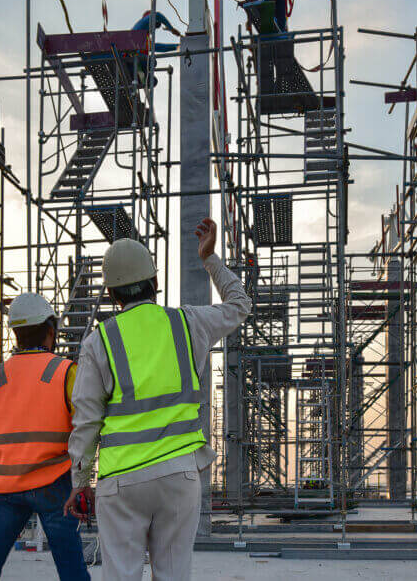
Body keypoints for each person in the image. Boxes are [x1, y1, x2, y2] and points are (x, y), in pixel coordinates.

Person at [63, 218, 250, 581]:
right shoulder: (188, 322)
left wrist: (80, 482)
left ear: (113, 295)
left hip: (121, 482)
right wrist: (210, 259)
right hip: (178, 476)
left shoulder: (98, 342)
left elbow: (86, 422)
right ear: (155, 282)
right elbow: (239, 304)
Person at [0, 293, 90, 581]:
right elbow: (84, 429)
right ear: (51, 330)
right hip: (55, 484)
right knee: (72, 569)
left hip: (8, 487)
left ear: (16, 333)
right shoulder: (64, 371)